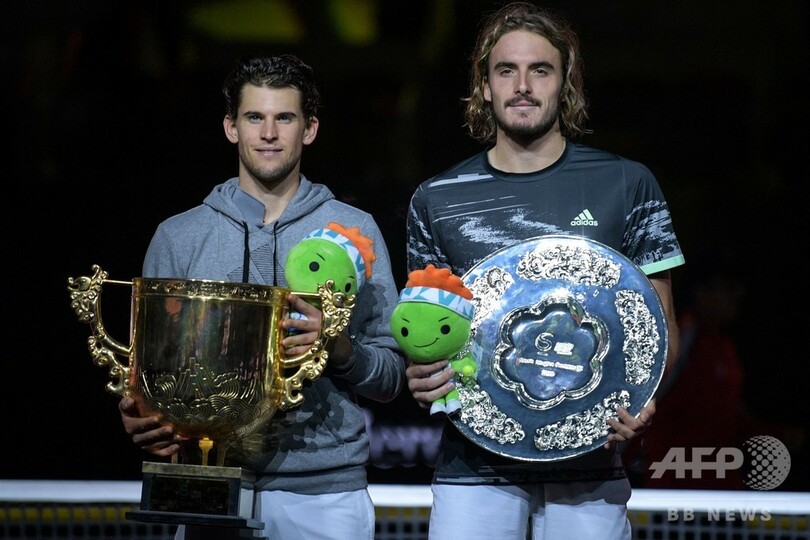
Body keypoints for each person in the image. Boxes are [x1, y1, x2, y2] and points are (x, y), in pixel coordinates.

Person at [403, 3, 685, 539]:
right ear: (484, 86)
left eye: (540, 70)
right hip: (472, 469)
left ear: (565, 83)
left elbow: (660, 324)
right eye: (505, 70)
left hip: (592, 461)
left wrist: (646, 398)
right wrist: (420, 374)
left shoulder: (627, 184)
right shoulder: (436, 200)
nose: (523, 86)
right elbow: (425, 334)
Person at [118, 54, 405, 540]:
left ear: (309, 129)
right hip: (207, 485)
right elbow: (147, 373)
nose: (269, 133)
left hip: (323, 494)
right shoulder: (179, 237)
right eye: (254, 117)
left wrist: (337, 348)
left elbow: (391, 376)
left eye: (284, 118)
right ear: (231, 127)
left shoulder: (354, 231)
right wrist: (140, 411)